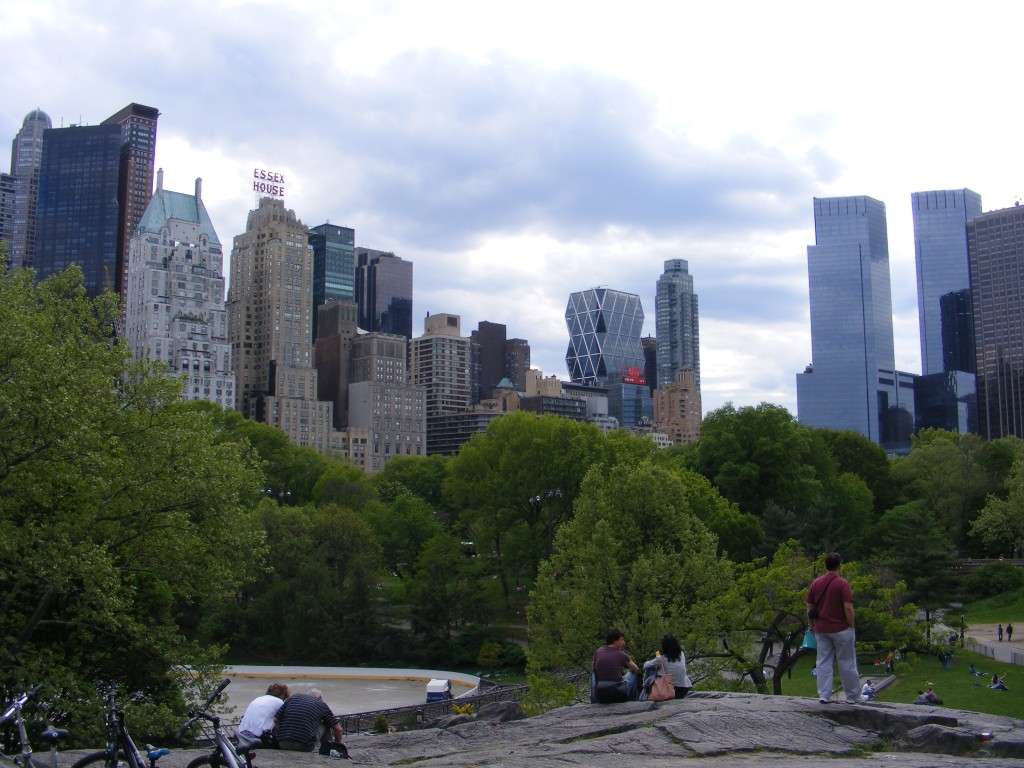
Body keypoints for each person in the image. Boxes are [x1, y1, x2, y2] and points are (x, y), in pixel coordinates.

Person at [806, 552, 860, 705]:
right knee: (847, 662)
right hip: (841, 629)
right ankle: (852, 696)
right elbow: (848, 607)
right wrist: (851, 625)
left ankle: (824, 695)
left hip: (821, 628)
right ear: (839, 566)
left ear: (825, 565)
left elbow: (809, 605)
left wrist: (811, 624)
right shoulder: (842, 584)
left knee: (823, 662)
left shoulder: (816, 583)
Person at [273, 688, 344, 752]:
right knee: (326, 724)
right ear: (318, 698)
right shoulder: (322, 705)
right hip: (305, 746)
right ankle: (331, 749)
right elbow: (338, 729)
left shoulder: (293, 698)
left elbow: (276, 720)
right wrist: (338, 744)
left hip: (283, 744)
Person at [592, 628, 640, 703]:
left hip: (601, 694)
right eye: (622, 640)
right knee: (633, 674)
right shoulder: (621, 654)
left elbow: (596, 669)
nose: (624, 642)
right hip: (617, 693)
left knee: (593, 675)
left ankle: (594, 701)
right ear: (614, 640)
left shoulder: (598, 651)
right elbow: (636, 669)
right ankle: (632, 702)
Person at [641, 634, 693, 700]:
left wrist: (657, 658)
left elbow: (645, 666)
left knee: (651, 669)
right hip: (682, 691)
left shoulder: (661, 659)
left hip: (668, 691)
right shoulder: (681, 654)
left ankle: (646, 694)